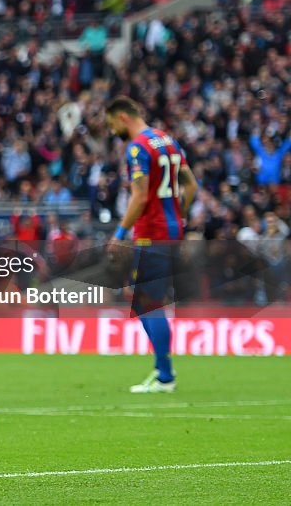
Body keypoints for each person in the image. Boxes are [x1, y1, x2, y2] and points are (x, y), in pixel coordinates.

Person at [105, 96, 198, 393]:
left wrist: (119, 234)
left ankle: (165, 376)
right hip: (170, 232)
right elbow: (191, 186)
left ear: (122, 117)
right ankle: (163, 372)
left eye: (111, 124)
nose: (112, 131)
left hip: (150, 234)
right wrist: (177, 219)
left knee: (148, 303)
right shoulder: (166, 140)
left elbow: (141, 196)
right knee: (149, 301)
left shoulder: (137, 147)